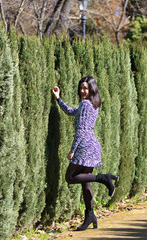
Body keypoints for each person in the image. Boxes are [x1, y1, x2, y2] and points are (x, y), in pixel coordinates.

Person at [52, 76, 119, 231]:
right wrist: (58, 98)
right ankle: (90, 215)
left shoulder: (85, 104)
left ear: (91, 89)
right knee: (84, 182)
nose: (82, 91)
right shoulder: (92, 104)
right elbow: (71, 111)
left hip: (85, 146)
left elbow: (81, 130)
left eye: (85, 88)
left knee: (70, 177)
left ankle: (103, 178)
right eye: (81, 88)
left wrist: (72, 150)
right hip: (92, 145)